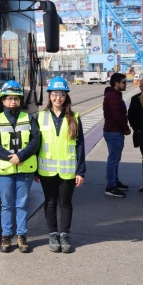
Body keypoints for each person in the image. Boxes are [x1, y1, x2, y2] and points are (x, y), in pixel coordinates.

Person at [0, 80, 40, 253]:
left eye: (16, 98)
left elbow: (36, 140)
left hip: (24, 169)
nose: (13, 102)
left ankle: (22, 236)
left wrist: (21, 156)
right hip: (4, 170)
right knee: (7, 204)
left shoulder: (29, 118)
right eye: (9, 99)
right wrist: (11, 157)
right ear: (2, 101)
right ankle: (7, 236)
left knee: (22, 204)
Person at [37, 77, 86, 253]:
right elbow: (36, 144)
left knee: (66, 203)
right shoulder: (40, 117)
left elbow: (80, 145)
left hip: (68, 170)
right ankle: (52, 234)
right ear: (49, 95)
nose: (58, 98)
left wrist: (81, 171)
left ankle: (65, 235)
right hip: (46, 169)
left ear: (66, 97)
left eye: (62, 94)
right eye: (55, 94)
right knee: (50, 202)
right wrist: (35, 170)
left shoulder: (74, 117)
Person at [103, 72, 131, 197]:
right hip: (114, 132)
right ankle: (110, 186)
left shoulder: (114, 95)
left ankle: (115, 181)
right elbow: (117, 115)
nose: (126, 84)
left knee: (115, 158)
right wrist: (125, 128)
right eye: (124, 82)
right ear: (117, 83)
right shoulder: (112, 97)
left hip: (115, 131)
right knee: (113, 159)